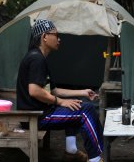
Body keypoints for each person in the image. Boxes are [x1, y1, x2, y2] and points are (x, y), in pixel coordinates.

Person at [16, 19, 103, 162]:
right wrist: (61, 102)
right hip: (35, 117)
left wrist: (82, 92)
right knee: (86, 111)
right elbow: (34, 91)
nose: (59, 39)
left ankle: (71, 151)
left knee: (76, 104)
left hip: (40, 113)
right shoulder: (36, 59)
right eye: (56, 35)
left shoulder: (39, 57)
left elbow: (53, 91)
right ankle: (95, 158)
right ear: (44, 37)